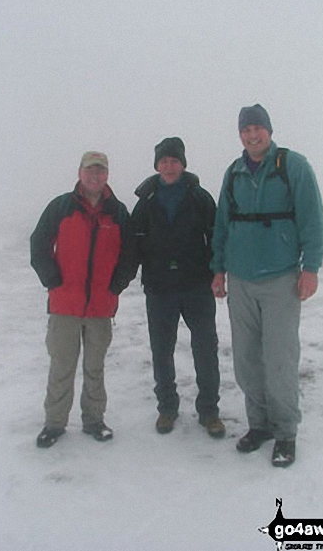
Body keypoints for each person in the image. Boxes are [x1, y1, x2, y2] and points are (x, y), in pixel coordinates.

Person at [211, 105, 323, 467]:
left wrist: (311, 268)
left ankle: (285, 431)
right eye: (246, 129)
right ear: (240, 134)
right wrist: (218, 270)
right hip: (241, 281)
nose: (252, 135)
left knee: (279, 359)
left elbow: (312, 219)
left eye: (258, 128)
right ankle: (258, 425)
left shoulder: (293, 167)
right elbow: (221, 226)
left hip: (280, 278)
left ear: (269, 131)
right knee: (246, 360)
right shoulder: (234, 173)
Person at [30, 151, 134, 448]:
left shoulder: (117, 211)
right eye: (90, 171)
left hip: (101, 306)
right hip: (65, 305)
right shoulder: (61, 206)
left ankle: (94, 420)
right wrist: (52, 280)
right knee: (62, 365)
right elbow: (39, 244)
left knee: (94, 366)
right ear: (80, 172)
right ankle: (54, 423)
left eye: (100, 171)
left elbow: (131, 253)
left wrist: (117, 284)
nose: (95, 176)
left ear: (107, 175)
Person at [131, 137, 225, 438]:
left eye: (174, 161)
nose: (169, 166)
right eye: (163, 161)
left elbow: (217, 238)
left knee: (205, 349)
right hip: (159, 289)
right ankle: (167, 408)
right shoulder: (145, 200)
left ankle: (209, 411)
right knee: (162, 351)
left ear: (183, 164)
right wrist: (118, 280)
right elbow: (132, 244)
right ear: (157, 165)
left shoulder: (200, 197)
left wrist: (217, 272)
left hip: (196, 286)